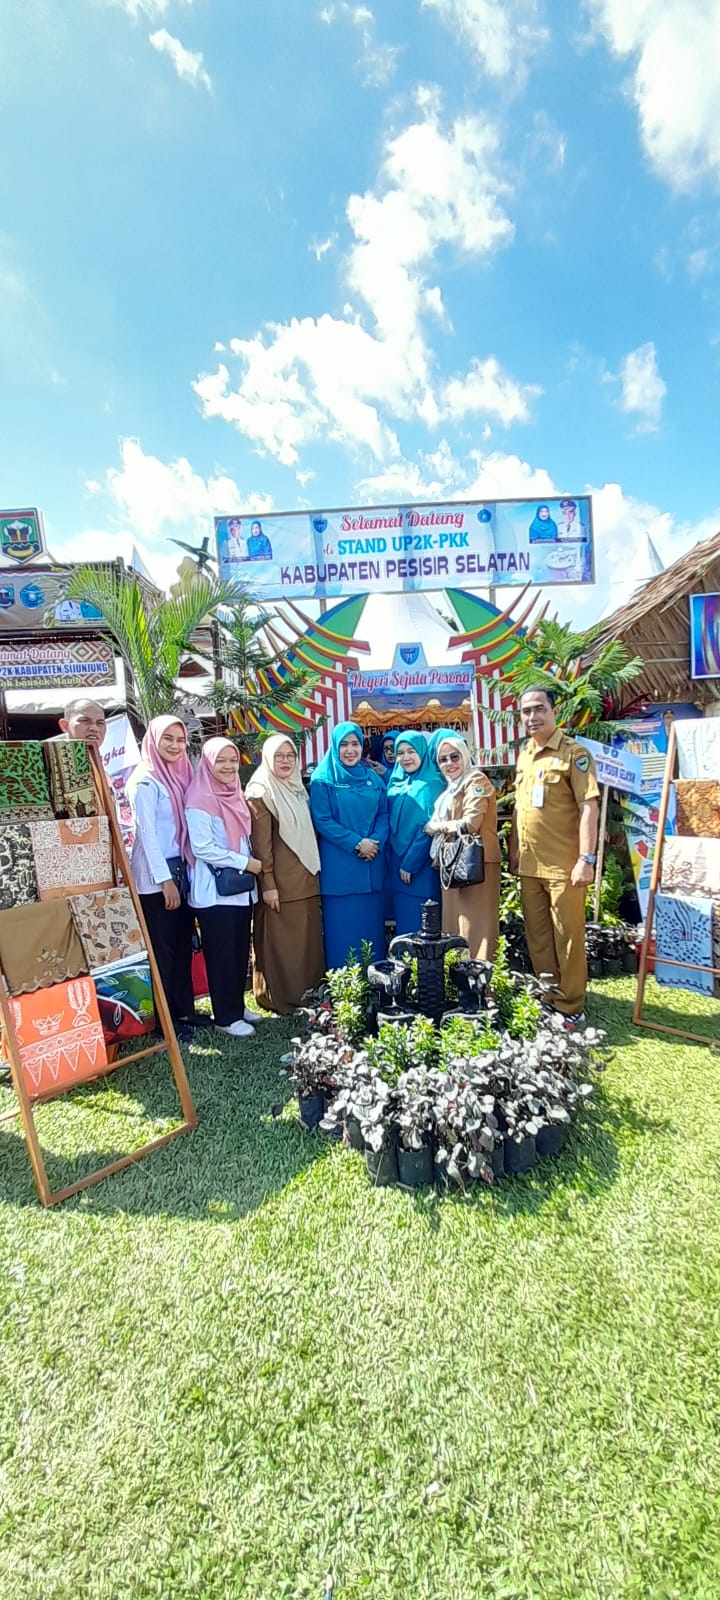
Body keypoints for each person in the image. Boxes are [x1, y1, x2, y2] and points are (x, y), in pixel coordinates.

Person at [509, 686, 600, 1023]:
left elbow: (588, 807)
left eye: (538, 709)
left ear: (553, 712)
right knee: (539, 935)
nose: (532, 717)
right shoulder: (525, 756)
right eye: (525, 711)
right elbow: (520, 808)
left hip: (564, 865)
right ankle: (549, 994)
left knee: (569, 936)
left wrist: (585, 859)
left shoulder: (573, 754)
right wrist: (515, 852)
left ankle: (571, 1006)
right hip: (531, 866)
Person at [185, 738, 262, 1039]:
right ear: (208, 763)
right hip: (214, 893)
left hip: (239, 891)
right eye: (222, 761)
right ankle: (225, 1017)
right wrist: (245, 862)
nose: (229, 766)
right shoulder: (200, 798)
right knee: (221, 954)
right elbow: (202, 847)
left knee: (239, 950)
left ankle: (236, 1006)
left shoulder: (234, 794)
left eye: (233, 760)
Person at [126, 716, 197, 1042]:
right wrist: (165, 880)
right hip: (157, 879)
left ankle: (184, 1010)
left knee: (183, 944)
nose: (174, 745)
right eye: (167, 738)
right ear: (153, 740)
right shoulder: (145, 780)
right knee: (163, 950)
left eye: (180, 739)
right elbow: (149, 835)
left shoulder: (179, 776)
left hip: (180, 871)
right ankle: (163, 1022)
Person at [246, 735, 325, 1014]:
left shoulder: (296, 788)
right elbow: (261, 846)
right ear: (266, 757)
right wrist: (268, 884)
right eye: (278, 755)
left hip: (305, 879)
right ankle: (282, 998)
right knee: (283, 945)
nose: (285, 761)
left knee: (306, 945)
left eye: (290, 755)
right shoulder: (261, 792)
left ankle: (308, 995)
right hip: (280, 885)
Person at [309, 720, 389, 969]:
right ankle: (346, 992)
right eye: (344, 745)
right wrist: (357, 843)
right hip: (341, 871)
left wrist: (375, 842)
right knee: (343, 935)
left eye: (355, 744)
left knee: (371, 933)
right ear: (334, 746)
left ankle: (373, 988)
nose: (350, 750)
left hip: (371, 867)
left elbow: (384, 814)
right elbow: (322, 820)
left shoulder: (373, 779)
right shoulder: (323, 780)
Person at [426, 732, 501, 960]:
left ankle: (481, 984)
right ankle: (460, 981)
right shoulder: (452, 787)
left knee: (476, 927)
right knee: (455, 925)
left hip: (476, 862)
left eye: (454, 756)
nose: (449, 763)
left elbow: (471, 823)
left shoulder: (476, 780)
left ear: (465, 756)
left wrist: (437, 826)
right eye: (443, 759)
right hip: (454, 863)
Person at [386, 731, 445, 934]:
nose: (406, 757)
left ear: (422, 751)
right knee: (404, 925)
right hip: (395, 863)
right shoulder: (396, 781)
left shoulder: (432, 783)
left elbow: (429, 827)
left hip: (418, 869)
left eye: (411, 751)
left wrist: (410, 863)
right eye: (400, 752)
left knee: (420, 927)